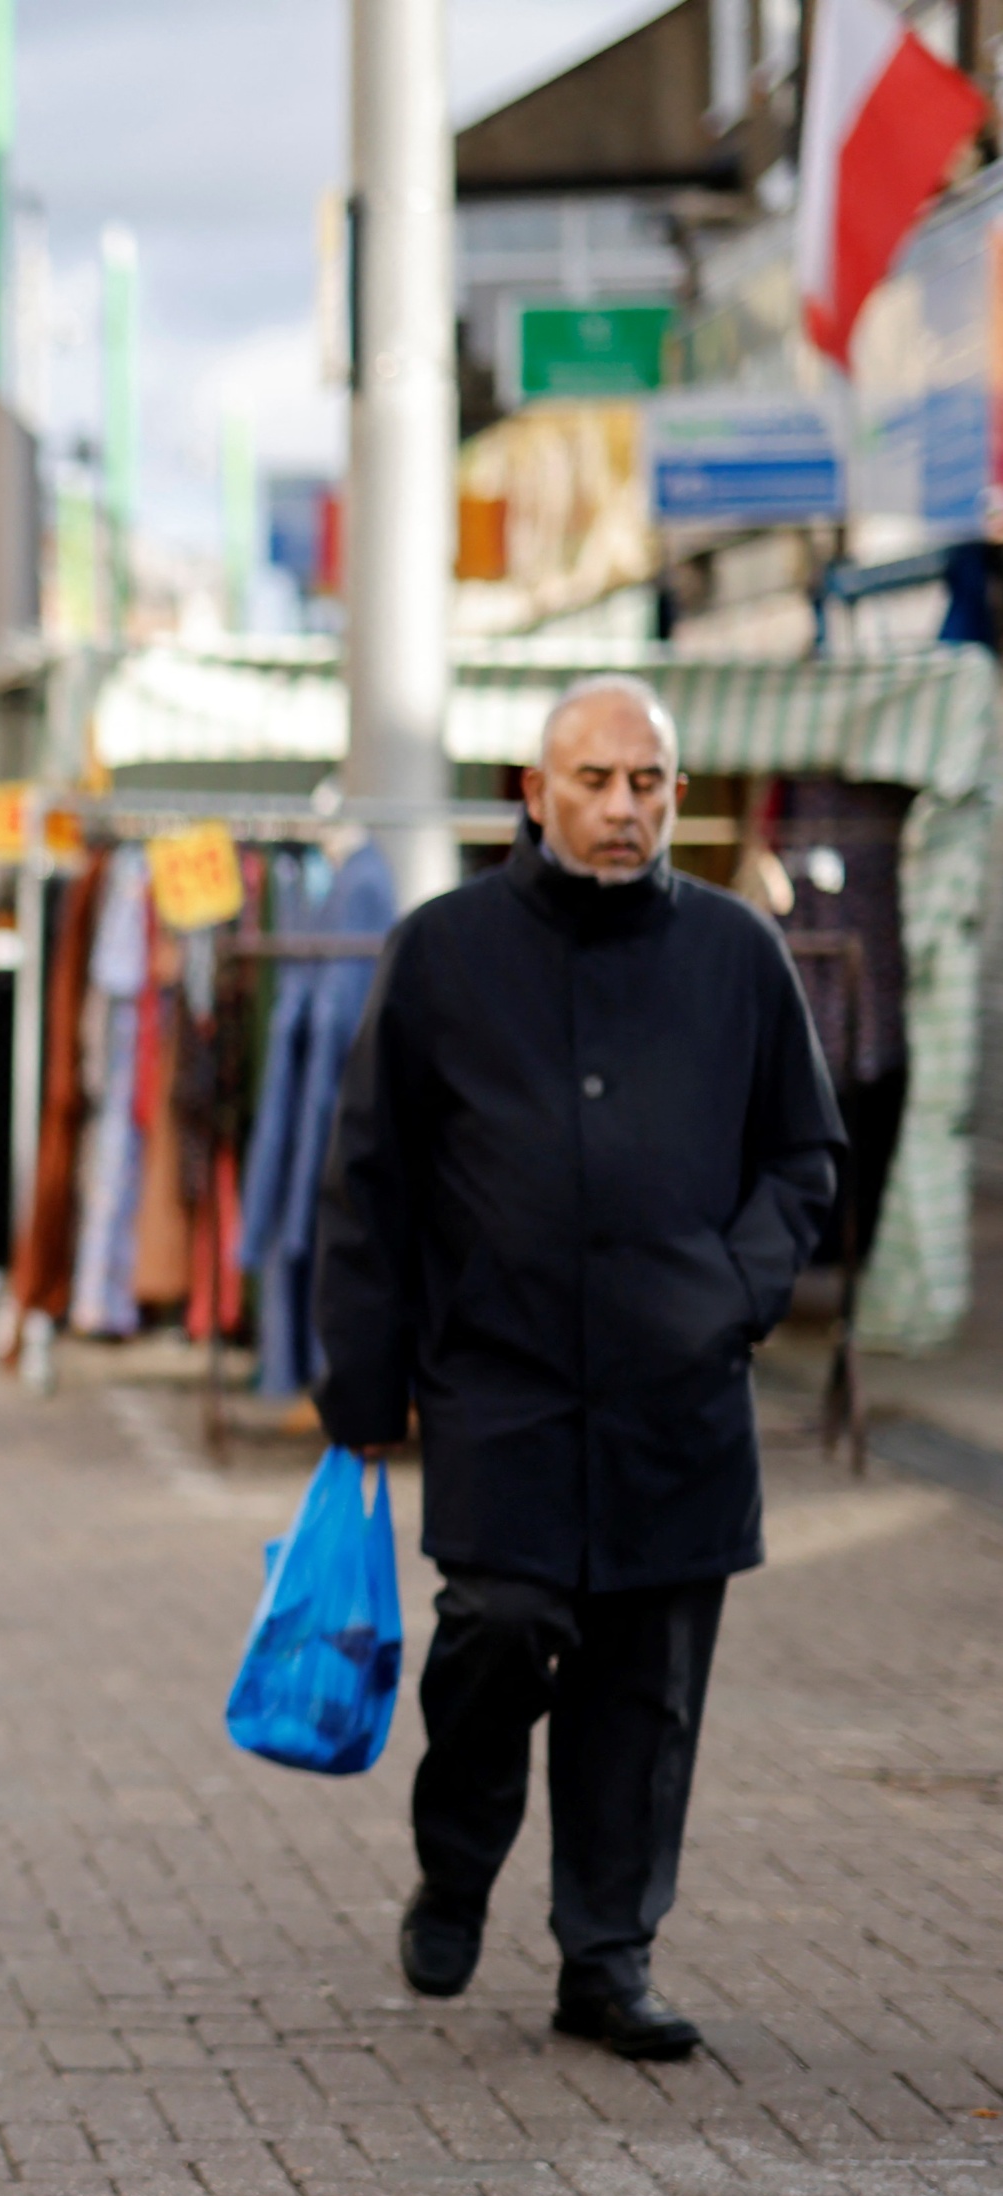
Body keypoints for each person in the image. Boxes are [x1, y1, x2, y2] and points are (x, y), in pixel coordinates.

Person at [313, 676, 841, 2062]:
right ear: (533, 793)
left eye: (646, 782)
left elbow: (802, 1154)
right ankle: (455, 1856)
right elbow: (366, 1181)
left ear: (674, 795)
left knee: (642, 1687)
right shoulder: (439, 952)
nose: (621, 806)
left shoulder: (734, 953)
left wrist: (731, 1293)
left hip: (679, 1398)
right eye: (594, 779)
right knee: (492, 1623)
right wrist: (359, 1397)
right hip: (500, 1382)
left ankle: (604, 1957)